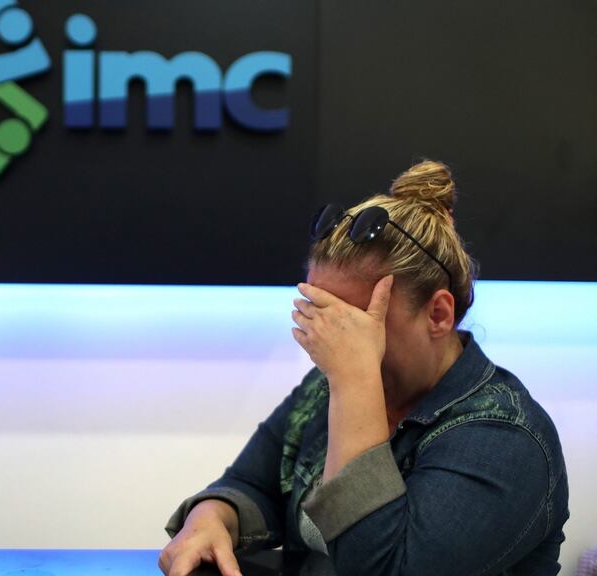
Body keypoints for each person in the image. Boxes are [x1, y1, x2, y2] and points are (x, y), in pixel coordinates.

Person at [159, 160, 570, 576]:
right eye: (322, 317)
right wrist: (210, 518)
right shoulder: (326, 387)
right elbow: (253, 483)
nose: (332, 342)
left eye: (353, 324)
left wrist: (355, 383)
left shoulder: (506, 438)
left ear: (438, 315)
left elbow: (382, 567)